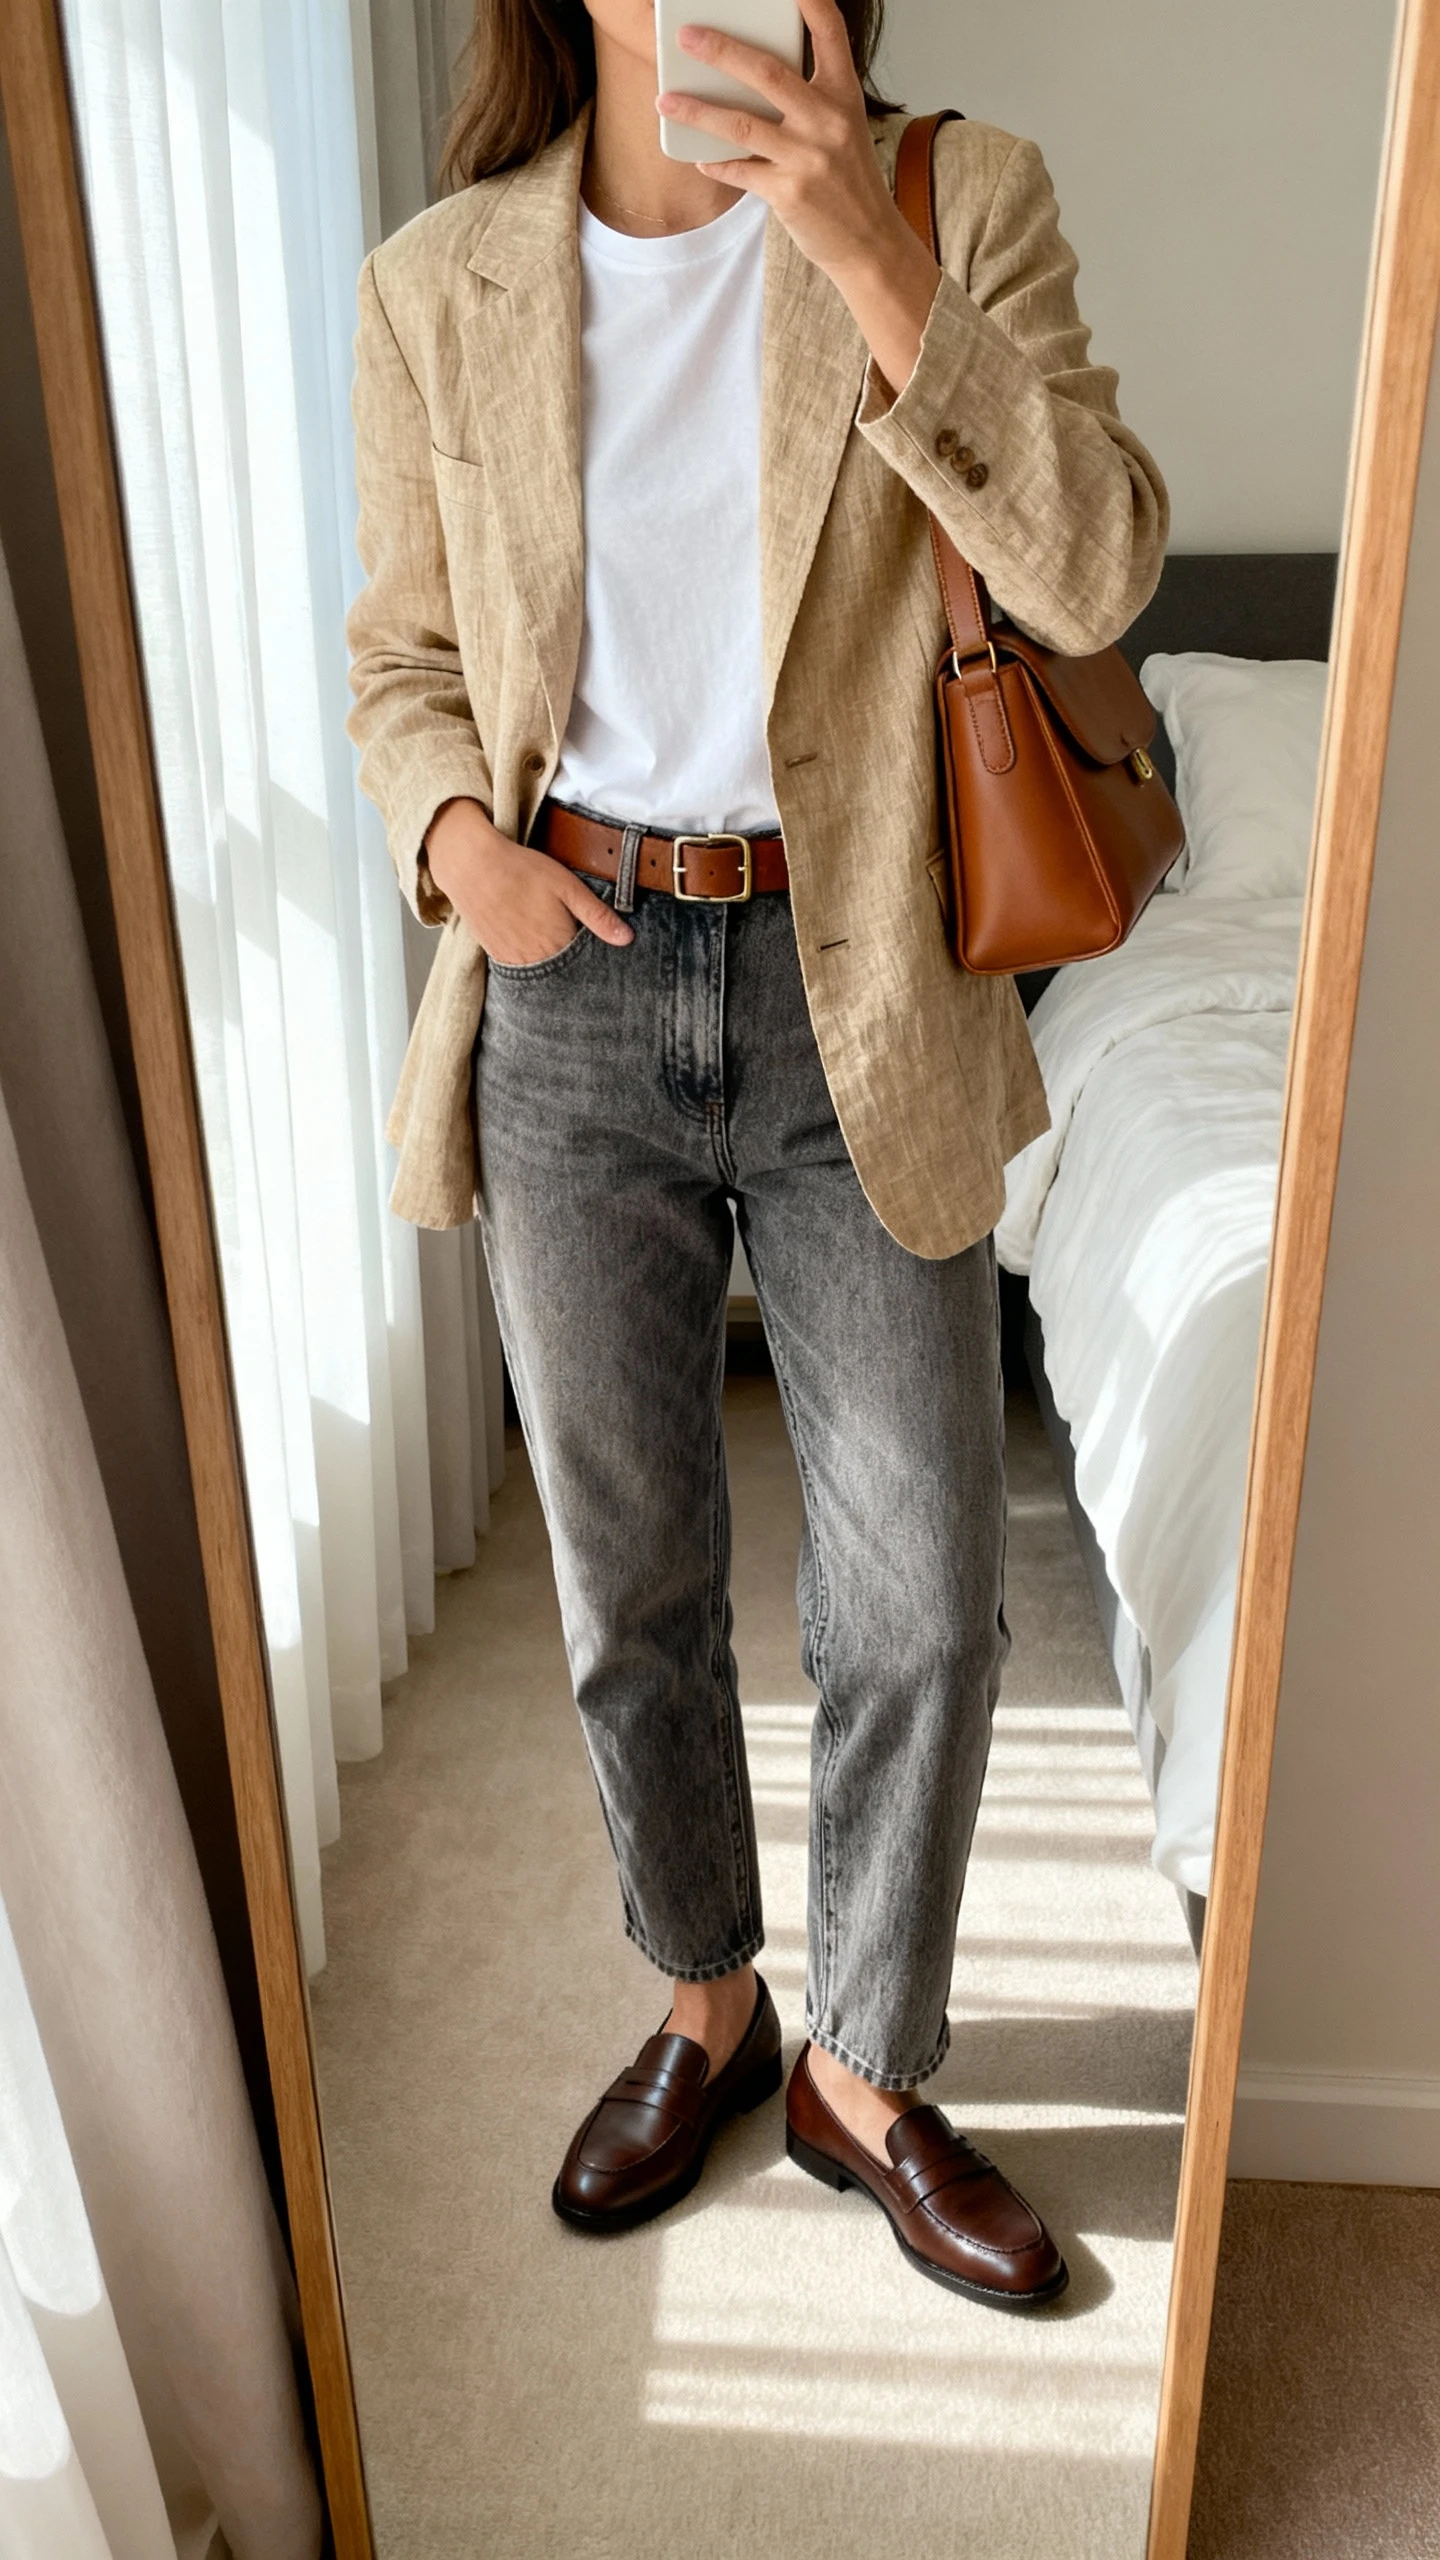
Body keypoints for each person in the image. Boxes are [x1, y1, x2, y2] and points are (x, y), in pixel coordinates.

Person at [346, 0, 1166, 2306]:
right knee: (630, 1589)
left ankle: (868, 2070)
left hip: (861, 979)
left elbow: (1099, 569)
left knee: (929, 1594)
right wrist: (450, 845)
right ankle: (708, 1998)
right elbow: (401, 653)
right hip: (572, 978)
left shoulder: (956, 199)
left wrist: (856, 248)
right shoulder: (442, 283)